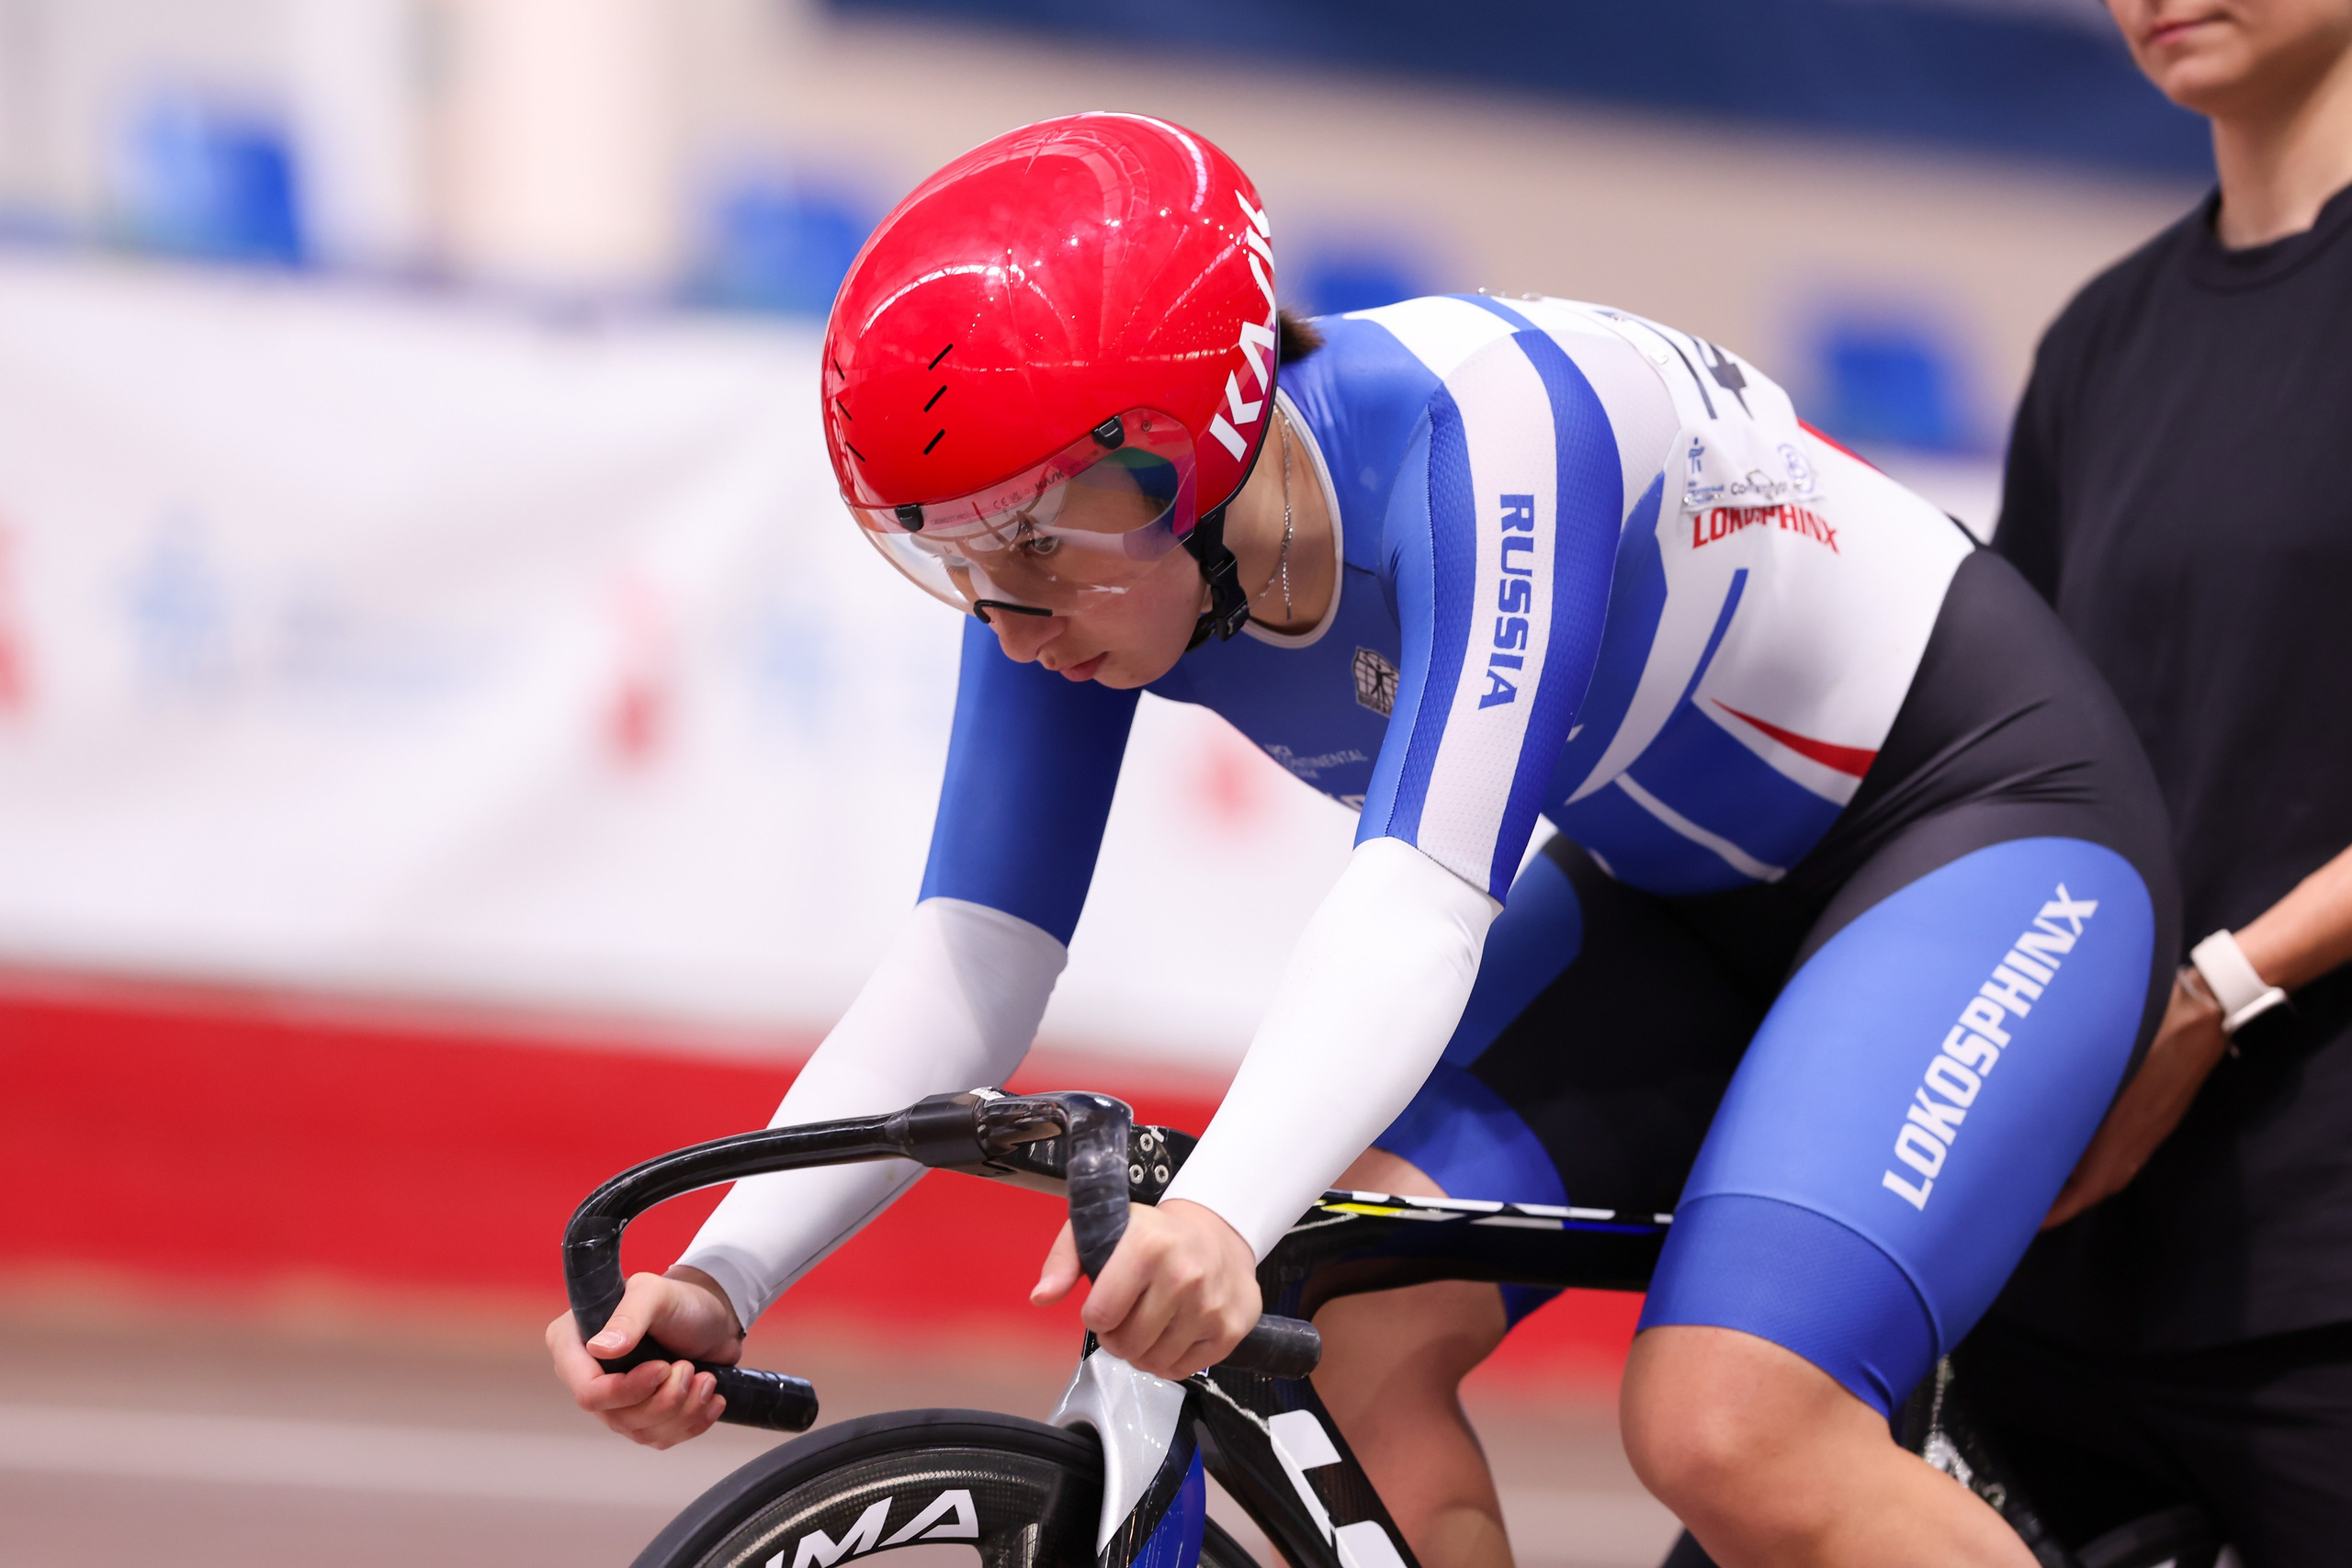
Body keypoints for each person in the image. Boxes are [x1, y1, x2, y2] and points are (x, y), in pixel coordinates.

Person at [546, 114, 2179, 1568]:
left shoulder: (1495, 435)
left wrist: (1221, 1215)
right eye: (955, 561)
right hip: (1672, 893)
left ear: (1190, 449)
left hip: (1978, 832)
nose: (1009, 614)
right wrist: (725, 1276)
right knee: (1336, 1331)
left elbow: (1417, 905)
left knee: (1729, 1425)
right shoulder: (1082, 560)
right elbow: (974, 952)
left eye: (1034, 545)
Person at [1942, 3, 2352, 1562]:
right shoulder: (2103, 339)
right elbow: (2003, 755)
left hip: (2320, 1265)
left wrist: (2218, 995)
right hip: (2070, 1239)